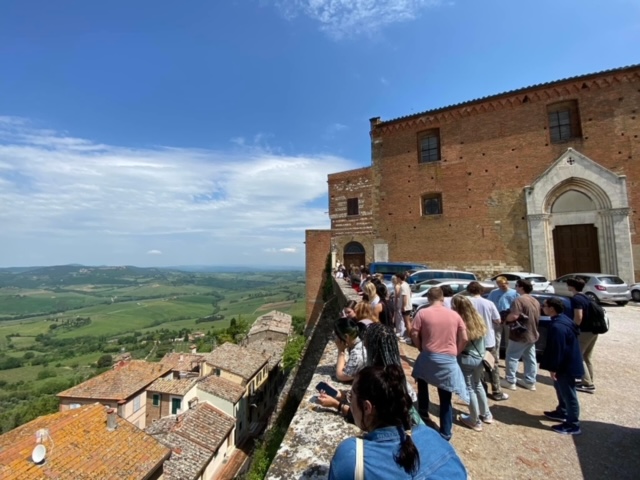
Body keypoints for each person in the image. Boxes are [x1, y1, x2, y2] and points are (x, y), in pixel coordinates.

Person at [328, 365, 468, 480]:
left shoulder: (351, 456)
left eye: (351, 396)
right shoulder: (432, 436)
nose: (350, 401)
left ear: (367, 407)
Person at [318, 323, 420, 425]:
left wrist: (336, 405)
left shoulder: (376, 378)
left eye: (365, 345)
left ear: (371, 350)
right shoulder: (396, 371)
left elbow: (368, 418)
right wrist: (340, 394)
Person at [411, 287, 469, 441]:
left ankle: (423, 412)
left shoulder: (422, 313)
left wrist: (420, 347)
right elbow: (464, 337)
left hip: (429, 354)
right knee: (445, 395)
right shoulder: (454, 315)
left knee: (422, 381)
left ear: (429, 298)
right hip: (448, 357)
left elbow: (414, 332)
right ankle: (446, 431)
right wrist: (456, 351)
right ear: (442, 298)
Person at [539, 297, 584, 435]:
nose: (543, 307)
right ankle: (562, 411)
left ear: (551, 308)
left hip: (566, 366)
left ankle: (573, 424)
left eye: (544, 305)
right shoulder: (563, 320)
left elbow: (558, 349)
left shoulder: (558, 326)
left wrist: (554, 368)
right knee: (561, 389)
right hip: (568, 363)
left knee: (569, 393)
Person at [452, 295, 493, 432]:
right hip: (480, 357)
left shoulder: (461, 321)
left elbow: (462, 340)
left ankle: (474, 420)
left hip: (467, 357)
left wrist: (456, 352)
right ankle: (486, 414)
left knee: (469, 388)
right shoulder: (478, 318)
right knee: (478, 384)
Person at [467, 281, 509, 401]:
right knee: (493, 366)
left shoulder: (467, 303)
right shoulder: (489, 303)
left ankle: (481, 390)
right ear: (481, 290)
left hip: (473, 339)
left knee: (477, 366)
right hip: (488, 339)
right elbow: (497, 320)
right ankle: (497, 391)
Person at [501, 279, 540, 391]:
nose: (516, 287)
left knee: (512, 356)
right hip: (532, 333)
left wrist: (505, 318)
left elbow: (514, 316)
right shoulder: (534, 300)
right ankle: (530, 381)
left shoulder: (519, 300)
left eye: (517, 285)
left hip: (520, 334)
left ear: (521, 287)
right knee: (530, 358)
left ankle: (510, 380)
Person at [567, 278, 597, 394]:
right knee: (586, 356)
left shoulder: (576, 299)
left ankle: (587, 384)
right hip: (593, 331)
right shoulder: (586, 297)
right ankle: (589, 379)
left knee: (578, 356)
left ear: (572, 287)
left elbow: (578, 317)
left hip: (584, 331)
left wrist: (573, 329)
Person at [487, 276, 519, 354]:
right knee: (496, 340)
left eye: (503, 285)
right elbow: (489, 304)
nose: (502, 287)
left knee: (509, 340)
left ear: (507, 283)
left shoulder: (514, 293)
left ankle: (508, 358)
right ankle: (496, 360)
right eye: (500, 286)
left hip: (509, 318)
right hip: (497, 318)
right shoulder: (493, 293)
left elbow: (518, 306)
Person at [333, 317, 367, 383]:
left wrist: (341, 351)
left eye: (336, 335)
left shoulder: (357, 353)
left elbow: (341, 376)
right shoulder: (362, 339)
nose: (335, 338)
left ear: (346, 337)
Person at [396, 272, 413, 344]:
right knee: (407, 322)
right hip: (408, 306)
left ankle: (409, 338)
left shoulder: (403, 286)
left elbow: (405, 296)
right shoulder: (406, 284)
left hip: (406, 307)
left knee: (407, 323)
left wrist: (403, 306)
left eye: (397, 278)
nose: (396, 279)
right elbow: (410, 294)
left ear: (399, 278)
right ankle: (407, 336)